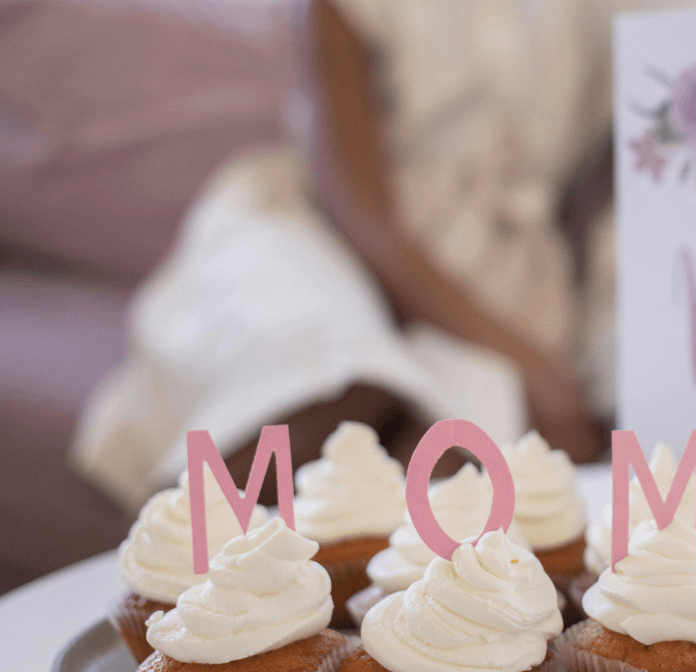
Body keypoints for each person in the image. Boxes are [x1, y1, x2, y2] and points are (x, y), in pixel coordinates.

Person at [73, 0, 619, 510]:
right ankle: (172, 559)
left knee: (464, 444)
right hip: (333, 232)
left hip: (502, 268)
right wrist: (526, 362)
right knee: (332, 378)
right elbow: (364, 215)